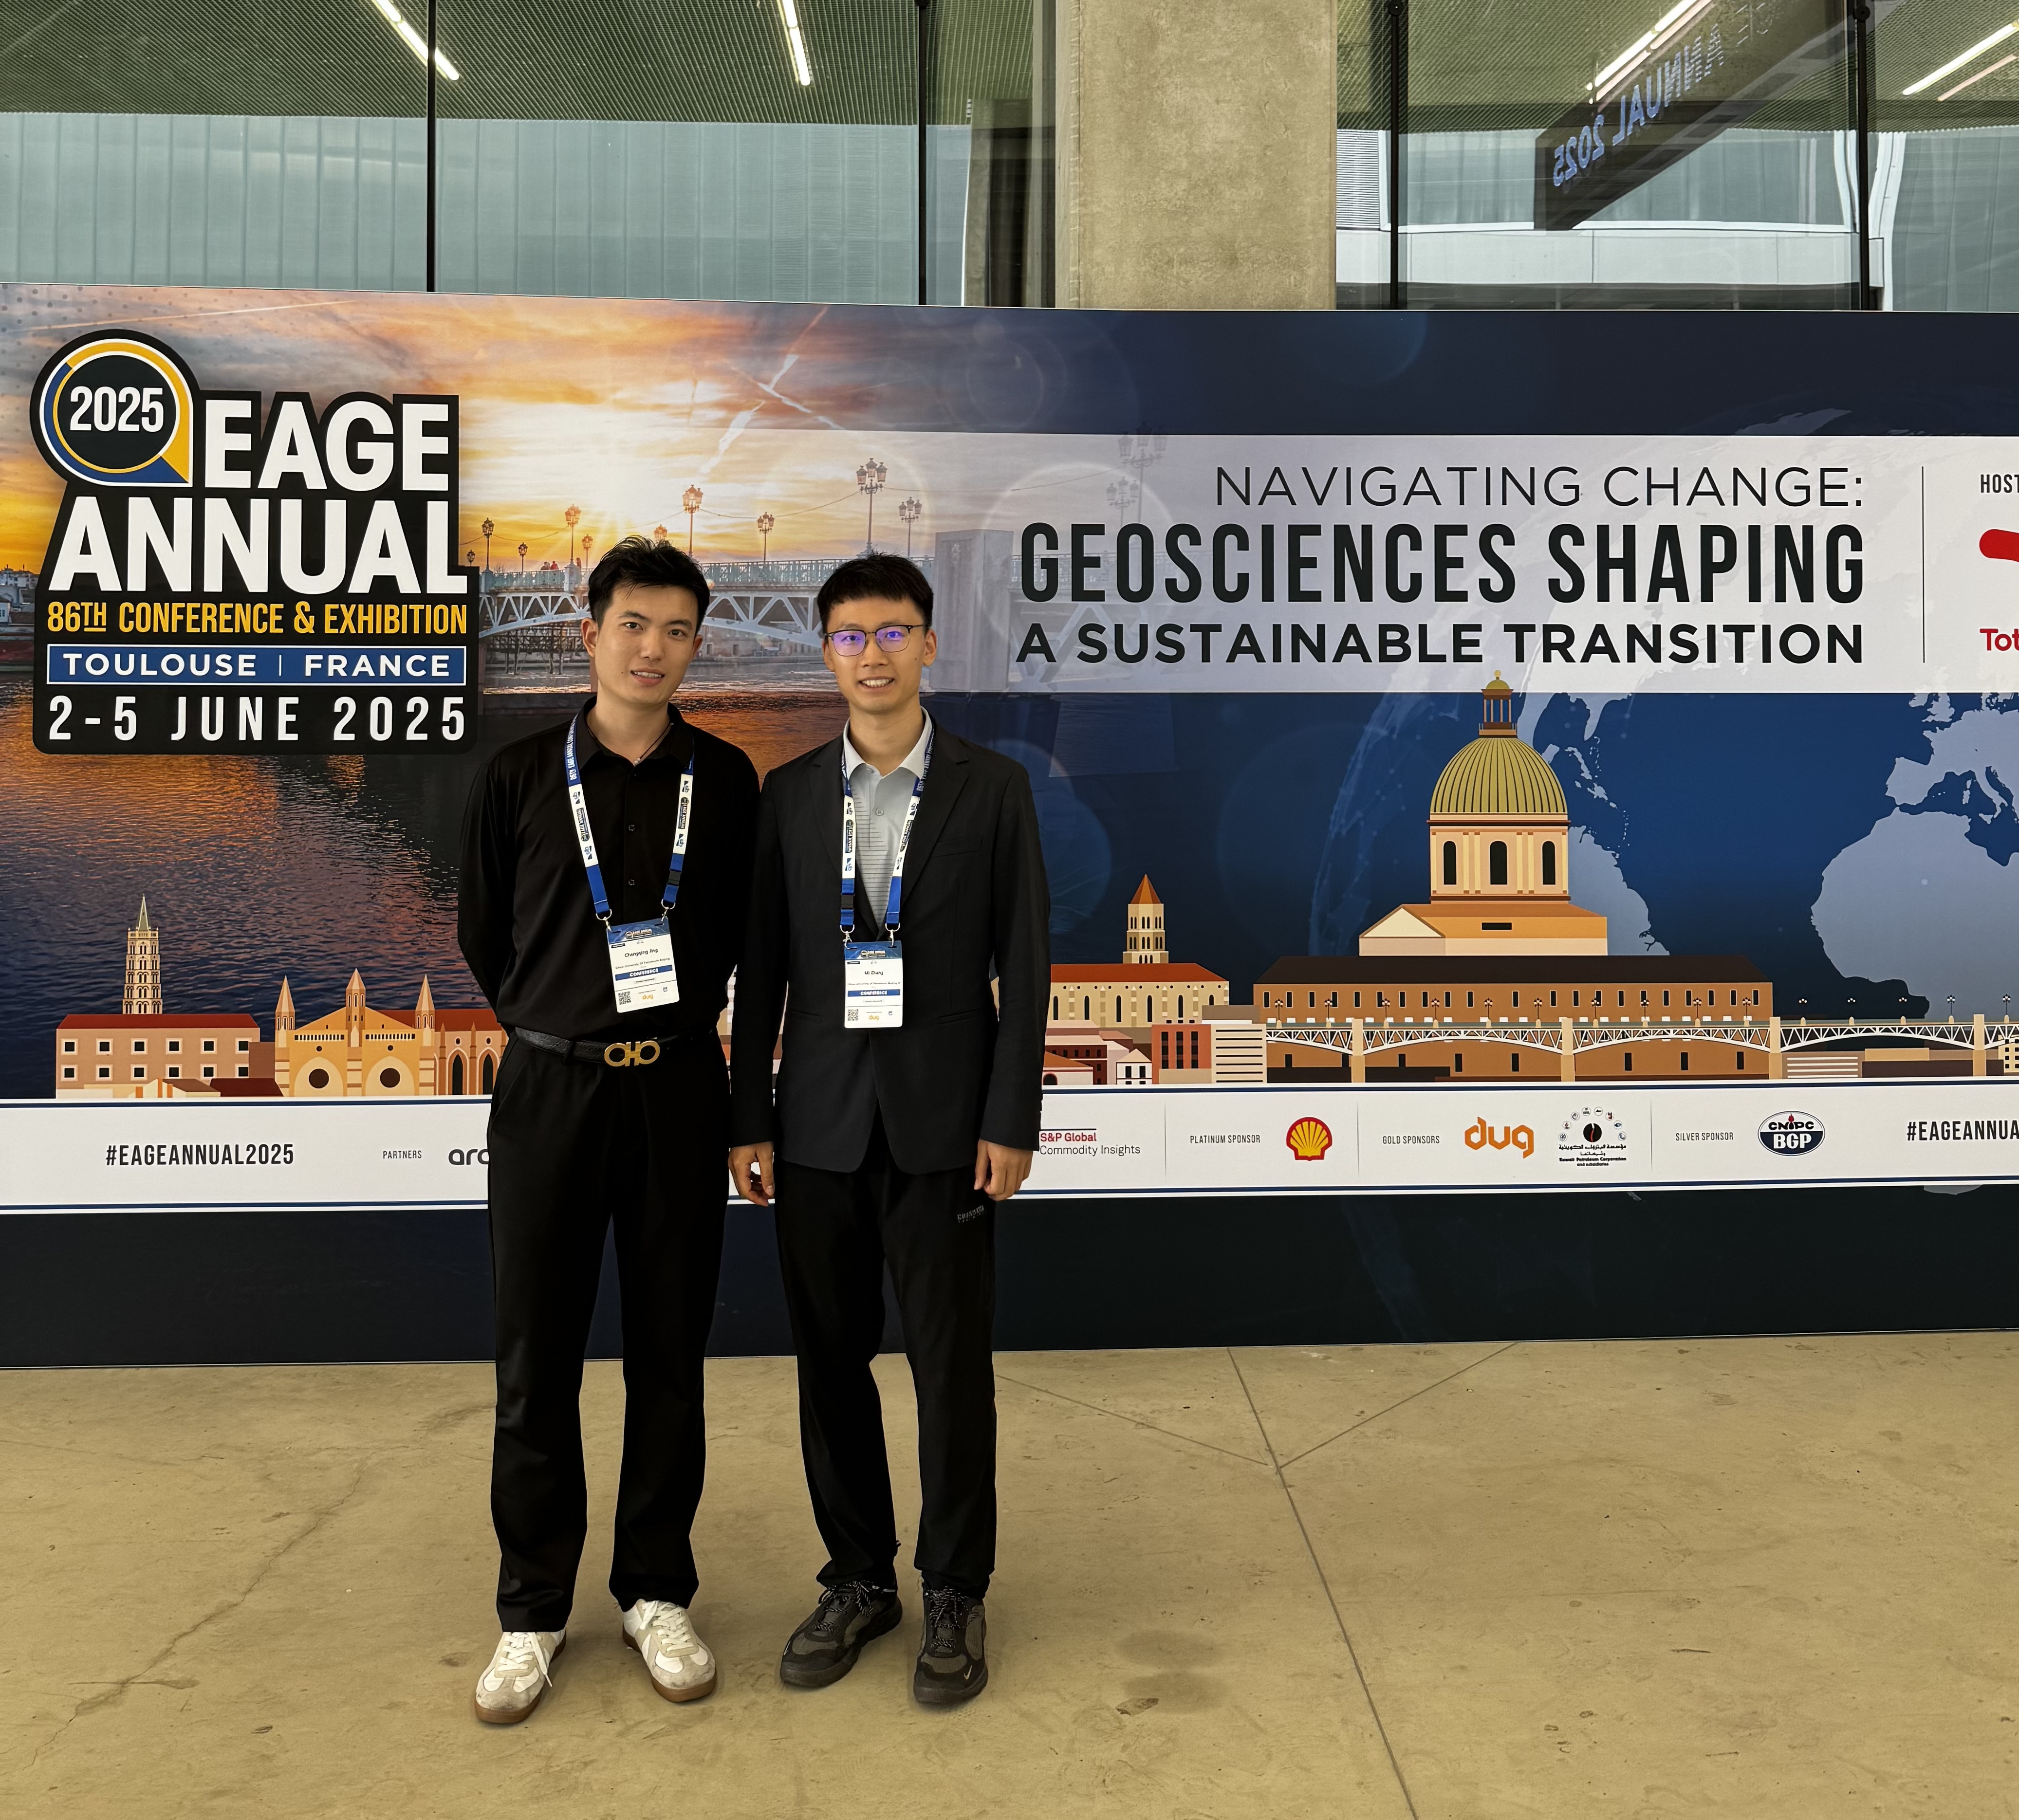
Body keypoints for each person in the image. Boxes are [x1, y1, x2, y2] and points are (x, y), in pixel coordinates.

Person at [729, 551, 1049, 1707]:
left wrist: (1010, 1117)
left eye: (894, 632)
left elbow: (1026, 964)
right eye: (851, 635)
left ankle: (955, 1586)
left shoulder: (992, 788)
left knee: (951, 1370)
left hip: (945, 1130)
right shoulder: (786, 795)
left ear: (928, 645)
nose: (873, 655)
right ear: (826, 652)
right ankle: (859, 1577)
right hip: (815, 1128)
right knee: (829, 1366)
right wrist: (748, 1117)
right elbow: (762, 969)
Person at [457, 534, 758, 1725]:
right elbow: (487, 935)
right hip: (551, 1090)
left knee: (669, 1354)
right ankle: (532, 1607)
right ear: (590, 635)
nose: (653, 648)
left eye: (677, 630)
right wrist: (558, 1022)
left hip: (677, 1089)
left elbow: (739, 940)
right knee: (534, 1357)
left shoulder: (724, 780)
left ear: (695, 648)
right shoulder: (517, 774)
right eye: (633, 624)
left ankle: (655, 1589)